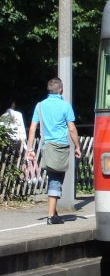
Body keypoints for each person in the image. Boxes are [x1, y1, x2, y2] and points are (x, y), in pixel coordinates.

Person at [25, 78, 82, 225]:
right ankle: (51, 216)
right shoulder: (65, 106)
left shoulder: (40, 106)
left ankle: (54, 212)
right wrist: (77, 146)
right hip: (60, 147)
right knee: (56, 179)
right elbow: (71, 128)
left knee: (52, 177)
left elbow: (32, 128)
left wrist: (30, 149)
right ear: (61, 90)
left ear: (48, 90)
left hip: (46, 147)